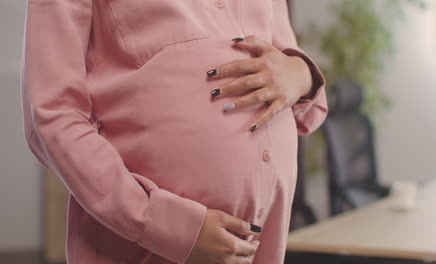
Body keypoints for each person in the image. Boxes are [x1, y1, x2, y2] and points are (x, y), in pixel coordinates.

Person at [20, 0, 328, 263]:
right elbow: (53, 116)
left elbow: (309, 109)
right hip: (140, 247)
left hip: (262, 241)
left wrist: (301, 75)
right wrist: (165, 224)